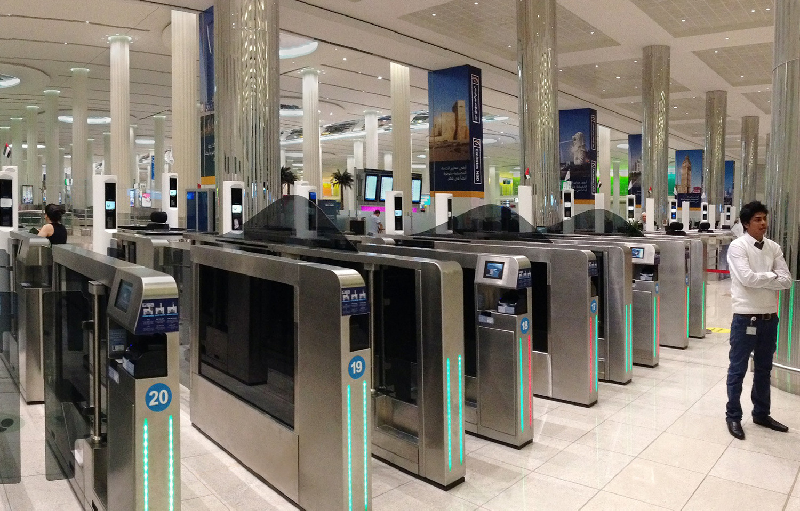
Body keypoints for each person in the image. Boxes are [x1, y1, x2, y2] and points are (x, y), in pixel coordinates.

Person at [725, 201, 792, 440]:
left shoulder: (773, 247)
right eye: (757, 219)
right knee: (738, 369)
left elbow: (787, 281)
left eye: (764, 218)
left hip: (769, 318)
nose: (763, 223)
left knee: (764, 369)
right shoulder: (738, 247)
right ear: (746, 223)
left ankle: (761, 414)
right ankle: (733, 416)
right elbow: (746, 278)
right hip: (746, 318)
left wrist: (763, 278)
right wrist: (772, 276)